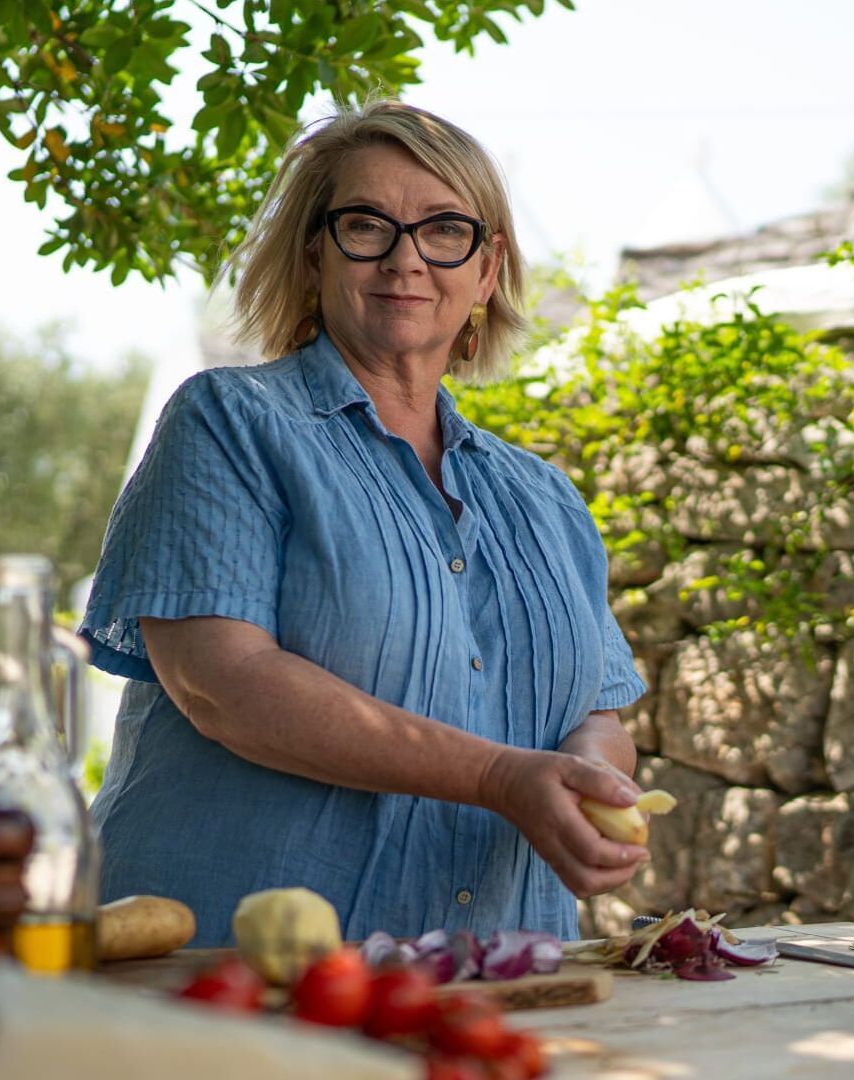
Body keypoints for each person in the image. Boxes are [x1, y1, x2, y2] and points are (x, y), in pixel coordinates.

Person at [77, 100, 649, 947]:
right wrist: (498, 777)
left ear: (487, 271)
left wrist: (590, 777)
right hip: (233, 984)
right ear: (314, 255)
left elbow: (600, 710)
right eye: (365, 224)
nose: (405, 258)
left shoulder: (546, 499)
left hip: (500, 981)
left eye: (444, 229)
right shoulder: (231, 423)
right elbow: (219, 684)